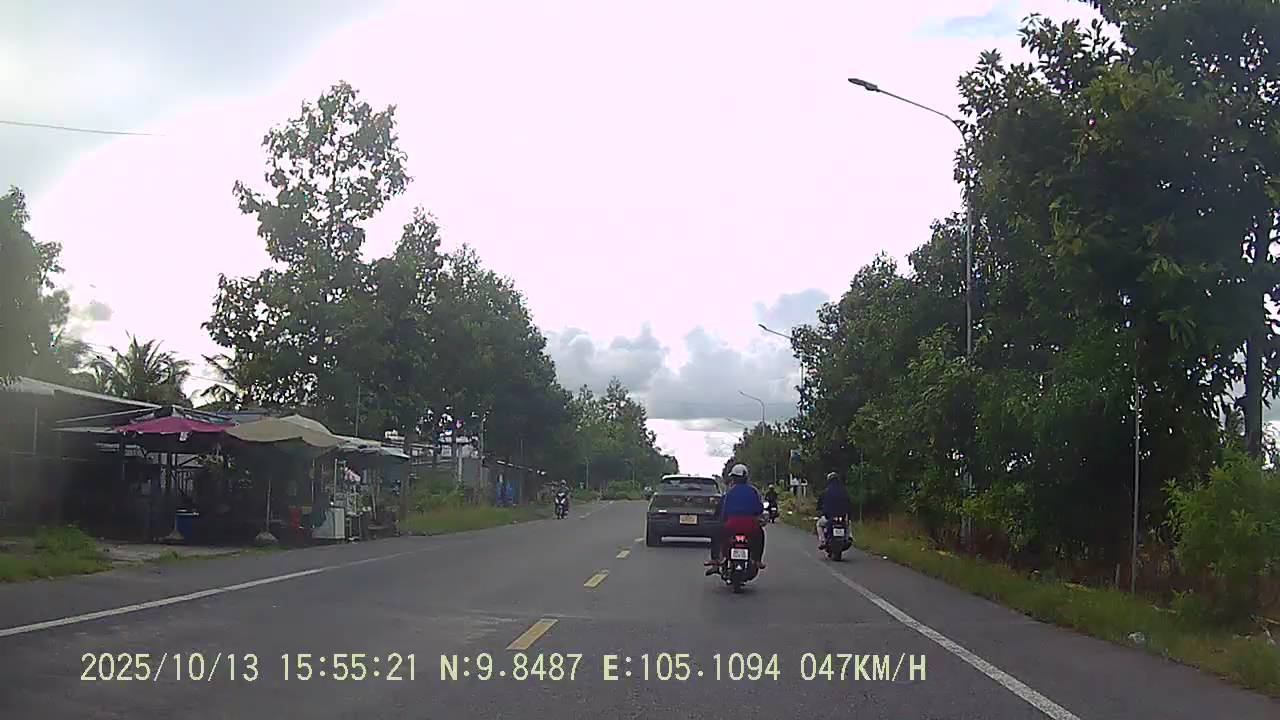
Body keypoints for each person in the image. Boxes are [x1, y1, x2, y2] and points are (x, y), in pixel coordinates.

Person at [705, 463, 766, 572]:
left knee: (716, 533)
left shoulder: (729, 492)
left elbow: (724, 511)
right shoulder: (753, 491)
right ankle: (757, 560)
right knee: (760, 534)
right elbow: (759, 509)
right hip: (750, 526)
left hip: (732, 525)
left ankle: (716, 559)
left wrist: (721, 520)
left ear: (733, 478)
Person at [815, 471, 853, 548]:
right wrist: (848, 515)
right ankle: (849, 537)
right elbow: (849, 504)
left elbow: (820, 503)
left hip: (829, 517)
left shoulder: (826, 491)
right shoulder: (844, 491)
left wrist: (819, 510)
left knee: (819, 524)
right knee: (848, 523)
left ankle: (822, 541)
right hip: (842, 517)